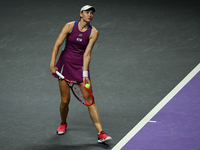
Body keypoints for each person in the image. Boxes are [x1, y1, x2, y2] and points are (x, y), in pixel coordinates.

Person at [50, 5, 112, 143]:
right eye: (87, 12)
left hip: (80, 68)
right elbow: (57, 45)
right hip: (64, 66)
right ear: (81, 14)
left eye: (92, 13)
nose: (90, 15)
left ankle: (101, 133)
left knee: (89, 100)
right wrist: (52, 63)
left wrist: (84, 73)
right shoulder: (70, 26)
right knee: (65, 101)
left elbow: (87, 53)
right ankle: (63, 122)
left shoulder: (93, 32)